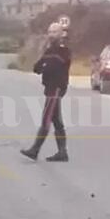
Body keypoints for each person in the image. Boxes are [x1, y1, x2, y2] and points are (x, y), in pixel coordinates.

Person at [21, 22, 71, 162]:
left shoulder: (63, 50)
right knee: (56, 121)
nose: (51, 34)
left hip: (56, 88)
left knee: (46, 119)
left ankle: (35, 150)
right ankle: (62, 152)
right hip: (49, 87)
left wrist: (45, 65)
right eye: (50, 32)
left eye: (55, 32)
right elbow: (37, 67)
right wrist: (44, 64)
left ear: (61, 34)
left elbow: (52, 67)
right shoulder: (49, 50)